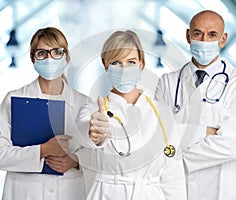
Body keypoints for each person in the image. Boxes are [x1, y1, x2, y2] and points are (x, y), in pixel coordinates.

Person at [155, 10, 236, 200]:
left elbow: (232, 145)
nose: (204, 40)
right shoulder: (168, 82)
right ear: (188, 36)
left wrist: (176, 158)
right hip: (175, 189)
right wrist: (202, 132)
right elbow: (160, 136)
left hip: (221, 189)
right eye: (198, 33)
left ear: (223, 40)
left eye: (212, 35)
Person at [75, 30, 187, 199]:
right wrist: (94, 133)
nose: (123, 69)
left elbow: (173, 177)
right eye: (116, 62)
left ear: (141, 64)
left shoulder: (162, 112)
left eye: (131, 62)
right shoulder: (92, 111)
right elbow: (85, 133)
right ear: (105, 65)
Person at [0, 27, 88, 200]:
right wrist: (43, 150)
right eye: (42, 53)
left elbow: (100, 156)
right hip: (24, 193)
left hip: (68, 192)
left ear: (67, 57)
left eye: (57, 52)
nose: (50, 59)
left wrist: (76, 161)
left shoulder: (84, 103)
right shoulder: (14, 99)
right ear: (33, 59)